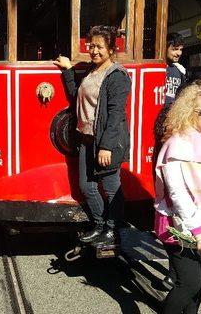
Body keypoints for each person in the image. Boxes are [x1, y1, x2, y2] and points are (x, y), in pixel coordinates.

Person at [153, 87, 201, 314]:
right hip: (180, 222)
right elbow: (177, 193)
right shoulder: (178, 144)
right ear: (189, 113)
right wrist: (199, 230)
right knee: (188, 283)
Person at [53, 25, 131, 246]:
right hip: (86, 138)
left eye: (99, 46)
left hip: (106, 141)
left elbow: (116, 115)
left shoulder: (117, 76)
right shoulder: (92, 71)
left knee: (110, 187)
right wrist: (68, 70)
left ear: (111, 48)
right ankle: (100, 225)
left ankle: (112, 230)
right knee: (87, 187)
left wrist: (106, 146)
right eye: (91, 45)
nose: (94, 50)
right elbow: (76, 96)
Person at [164, 33, 187, 105]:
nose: (179, 53)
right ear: (165, 48)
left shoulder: (180, 70)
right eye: (175, 49)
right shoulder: (157, 68)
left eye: (181, 49)